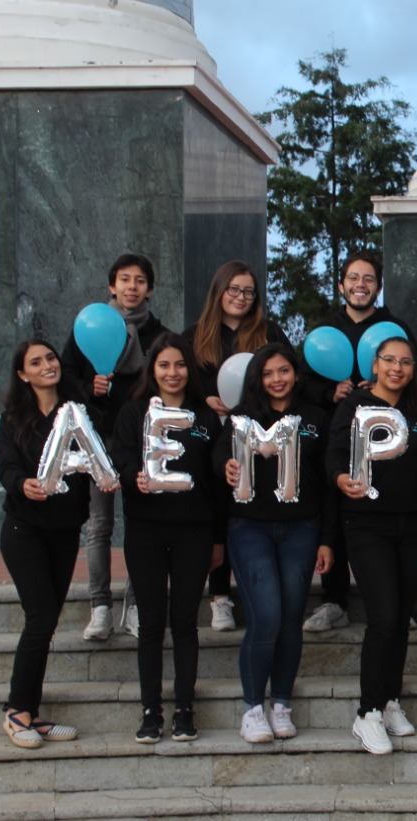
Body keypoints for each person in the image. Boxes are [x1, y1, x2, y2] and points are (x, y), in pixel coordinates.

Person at [214, 342, 333, 744]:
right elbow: (218, 460)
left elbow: (328, 481)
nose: (277, 379)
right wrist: (227, 466)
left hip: (302, 529)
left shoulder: (316, 418)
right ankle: (252, 707)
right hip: (250, 529)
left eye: (284, 371)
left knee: (290, 619)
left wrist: (327, 540)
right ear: (257, 379)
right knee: (265, 616)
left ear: (296, 374)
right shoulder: (240, 418)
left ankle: (280, 702)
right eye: (268, 373)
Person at [301, 251, 417, 636]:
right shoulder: (324, 331)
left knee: (376, 513)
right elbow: (302, 382)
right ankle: (334, 599)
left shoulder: (395, 329)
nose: (360, 284)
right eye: (353, 278)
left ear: (378, 286)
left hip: (388, 442)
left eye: (368, 278)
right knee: (337, 508)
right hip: (337, 432)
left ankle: (396, 603)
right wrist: (329, 391)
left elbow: (413, 377)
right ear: (341, 285)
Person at [111, 333, 223, 743]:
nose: (173, 373)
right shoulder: (133, 413)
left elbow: (215, 480)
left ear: (188, 370)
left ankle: (185, 710)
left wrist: (218, 539)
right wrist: (132, 476)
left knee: (186, 624)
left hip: (194, 530)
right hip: (146, 531)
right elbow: (120, 457)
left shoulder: (205, 417)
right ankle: (150, 711)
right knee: (152, 623)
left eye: (180, 365)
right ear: (152, 370)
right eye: (164, 365)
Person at [326, 335, 417, 755]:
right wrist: (340, 478)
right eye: (389, 360)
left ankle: (390, 701)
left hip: (411, 525)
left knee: (402, 614)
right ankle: (367, 713)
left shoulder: (416, 410)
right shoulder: (353, 406)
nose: (397, 368)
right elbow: (334, 454)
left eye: (406, 362)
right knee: (384, 616)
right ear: (375, 364)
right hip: (367, 524)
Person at [60, 253, 168, 641]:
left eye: (140, 281)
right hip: (97, 438)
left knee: (141, 525)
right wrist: (90, 389)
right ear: (112, 285)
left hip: (141, 440)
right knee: (100, 525)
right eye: (125, 280)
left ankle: (135, 605)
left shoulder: (159, 335)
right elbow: (65, 374)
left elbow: (167, 380)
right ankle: (100, 606)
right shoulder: (88, 326)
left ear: (150, 289)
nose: (131, 287)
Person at [0, 340, 93, 748]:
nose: (46, 365)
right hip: (24, 530)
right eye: (36, 362)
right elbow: (6, 467)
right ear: (23, 374)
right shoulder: (14, 418)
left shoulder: (77, 411)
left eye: (50, 358)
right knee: (40, 617)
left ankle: (31, 713)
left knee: (48, 620)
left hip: (65, 530)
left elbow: (96, 457)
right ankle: (16, 712)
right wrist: (22, 484)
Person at [185, 260, 289, 633]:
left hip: (261, 436)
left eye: (248, 291)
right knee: (217, 508)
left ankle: (256, 590)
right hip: (211, 434)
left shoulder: (269, 333)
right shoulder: (194, 336)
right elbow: (177, 385)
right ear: (219, 292)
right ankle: (219, 596)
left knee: (249, 508)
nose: (242, 298)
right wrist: (205, 401)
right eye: (234, 289)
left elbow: (288, 376)